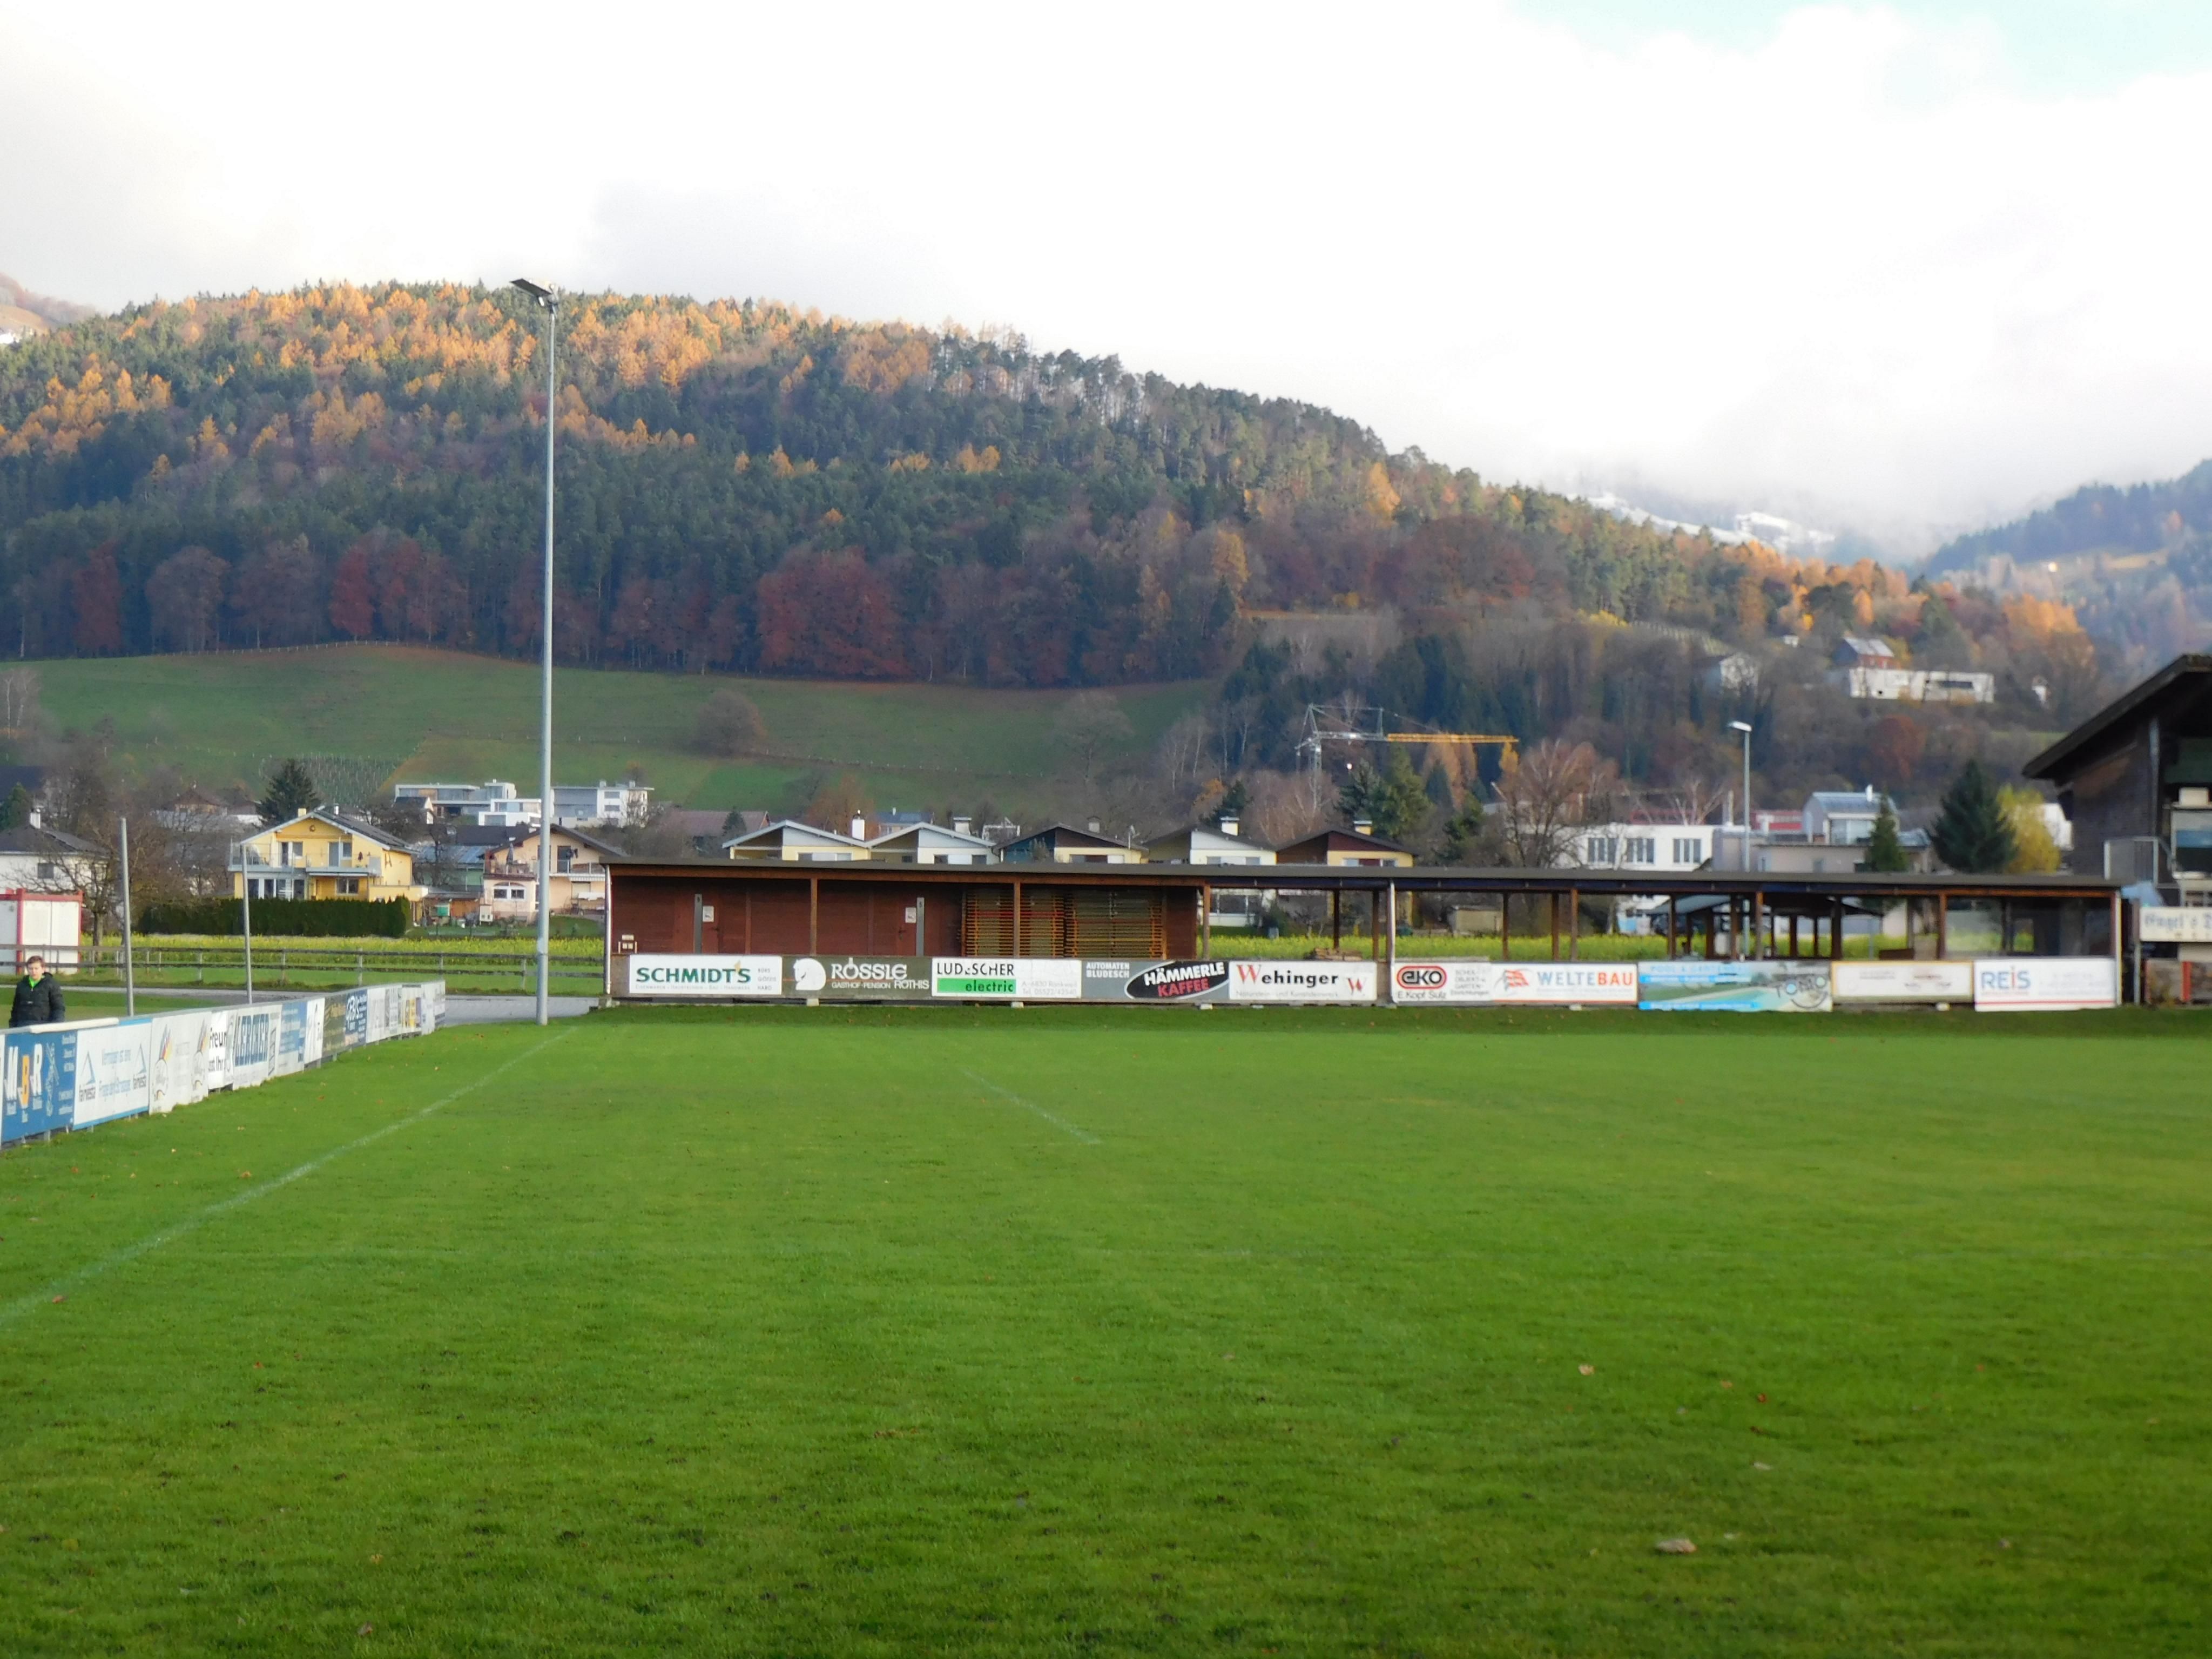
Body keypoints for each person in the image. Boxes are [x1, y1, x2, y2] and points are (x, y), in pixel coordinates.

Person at [10, 954, 65, 1027]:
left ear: (43, 969)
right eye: (31, 969)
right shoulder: (22, 985)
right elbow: (16, 1009)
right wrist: (13, 1026)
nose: (33, 971)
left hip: (43, 1026)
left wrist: (57, 1025)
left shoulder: (51, 985)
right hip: (23, 1026)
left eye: (36, 969)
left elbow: (58, 1007)